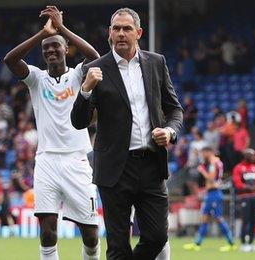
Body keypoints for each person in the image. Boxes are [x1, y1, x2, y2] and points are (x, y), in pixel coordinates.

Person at [71, 7, 183, 259]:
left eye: (127, 28)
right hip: (114, 170)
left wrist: (169, 130)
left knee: (157, 237)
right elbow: (78, 121)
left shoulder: (156, 62)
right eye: (116, 29)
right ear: (110, 33)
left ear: (139, 33)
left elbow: (175, 110)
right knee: (118, 245)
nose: (121, 33)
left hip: (151, 165)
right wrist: (86, 90)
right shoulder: (95, 69)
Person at [3, 5, 101, 260]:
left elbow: (95, 57)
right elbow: (10, 60)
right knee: (47, 233)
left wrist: (61, 29)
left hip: (77, 159)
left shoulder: (78, 74)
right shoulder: (36, 78)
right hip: (46, 161)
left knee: (90, 235)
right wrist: (42, 34)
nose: (50, 50)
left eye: (55, 46)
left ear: (66, 49)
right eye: (45, 49)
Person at [182, 146, 235, 252]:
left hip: (214, 193)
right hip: (211, 193)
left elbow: (210, 178)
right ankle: (197, 243)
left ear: (209, 152)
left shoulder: (213, 163)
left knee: (219, 218)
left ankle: (231, 243)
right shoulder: (215, 162)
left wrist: (202, 171)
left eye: (203, 153)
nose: (202, 155)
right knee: (205, 218)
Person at [232, 148, 255, 252]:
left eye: (253, 155)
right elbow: (237, 183)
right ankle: (243, 243)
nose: (253, 157)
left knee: (254, 220)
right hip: (244, 197)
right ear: (245, 156)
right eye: (250, 155)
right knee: (245, 220)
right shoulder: (239, 168)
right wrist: (248, 188)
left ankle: (251, 243)